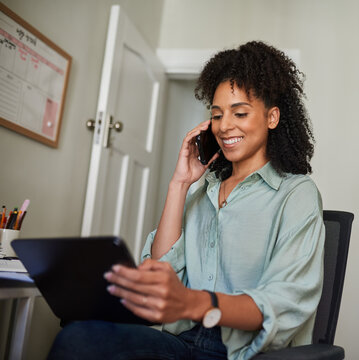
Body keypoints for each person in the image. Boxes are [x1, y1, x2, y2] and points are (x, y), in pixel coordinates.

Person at [48, 41, 325, 360]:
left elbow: (283, 303)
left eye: (240, 113)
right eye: (217, 115)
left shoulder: (296, 194)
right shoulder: (204, 189)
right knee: (79, 335)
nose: (225, 126)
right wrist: (179, 184)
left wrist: (193, 302)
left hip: (242, 352)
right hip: (181, 339)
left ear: (272, 117)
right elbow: (162, 269)